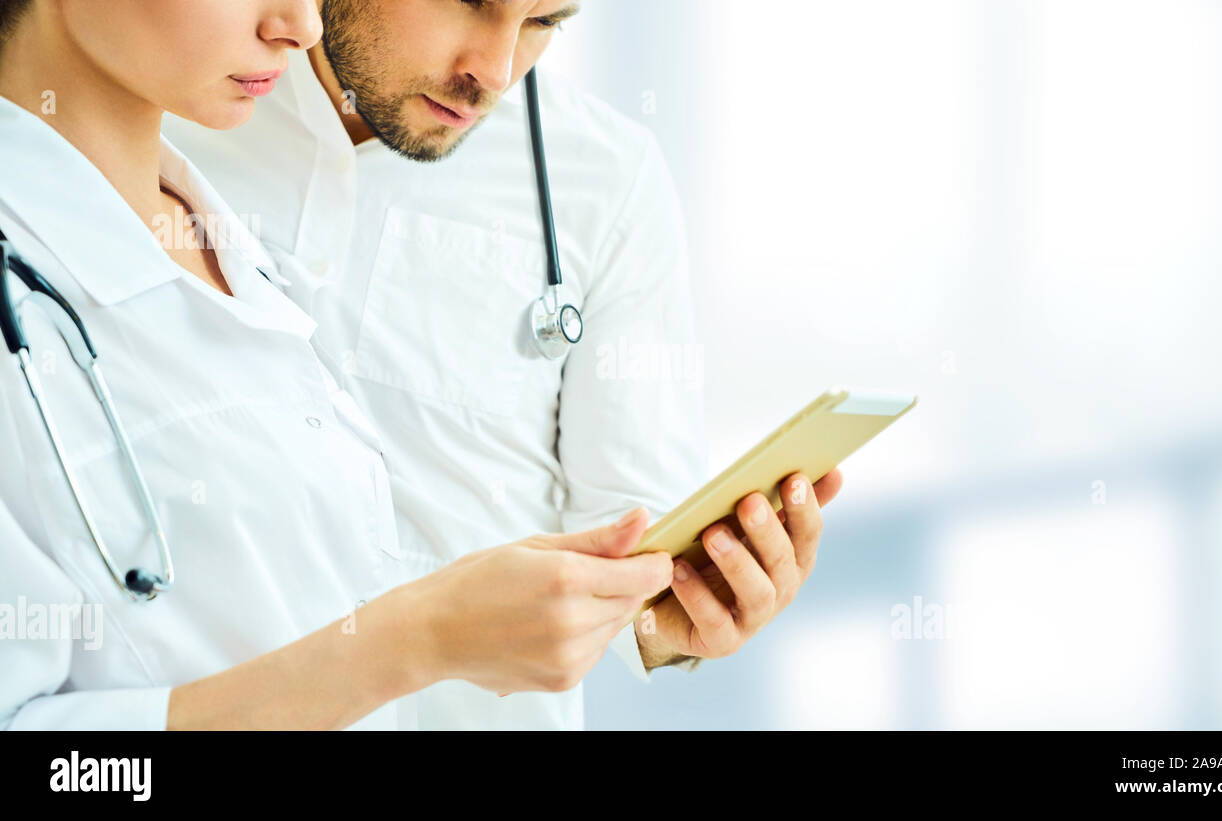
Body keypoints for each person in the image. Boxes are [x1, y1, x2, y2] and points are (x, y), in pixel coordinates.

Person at [166, 0, 845, 730]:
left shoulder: (606, 179)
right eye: (469, 2)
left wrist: (680, 607)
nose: (491, 73)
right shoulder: (151, 118)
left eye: (544, 21)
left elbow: (634, 554)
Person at [0, 0, 678, 730]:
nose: (302, 24)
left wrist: (664, 605)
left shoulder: (218, 243)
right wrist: (414, 641)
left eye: (547, 22)